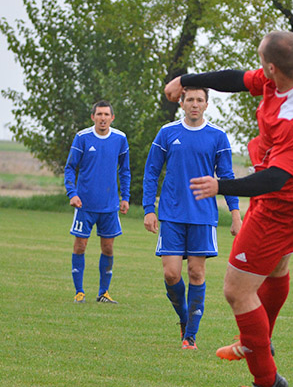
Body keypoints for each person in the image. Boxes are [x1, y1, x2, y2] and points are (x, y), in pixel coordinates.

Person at [164, 30, 293, 387]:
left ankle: (266, 381)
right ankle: (257, 340)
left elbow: (274, 179)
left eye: (261, 63)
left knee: (237, 291)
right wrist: (188, 80)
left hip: (280, 203)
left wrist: (223, 186)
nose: (259, 70)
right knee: (276, 269)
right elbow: (239, 80)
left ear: (273, 67)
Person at [143, 86, 242, 350]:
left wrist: (235, 214)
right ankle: (185, 320)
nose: (195, 104)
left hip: (203, 215)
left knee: (196, 273)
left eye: (200, 100)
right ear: (182, 103)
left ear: (207, 104)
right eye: (190, 100)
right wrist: (148, 209)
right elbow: (152, 172)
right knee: (171, 274)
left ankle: (190, 337)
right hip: (172, 215)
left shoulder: (218, 137)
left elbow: (227, 178)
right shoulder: (167, 133)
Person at [64, 100, 131, 304]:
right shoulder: (82, 138)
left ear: (112, 118)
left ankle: (104, 292)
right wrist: (72, 193)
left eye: (106, 115)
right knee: (80, 246)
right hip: (85, 205)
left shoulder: (120, 139)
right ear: (93, 117)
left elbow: (125, 170)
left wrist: (125, 197)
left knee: (108, 248)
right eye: (99, 114)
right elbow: (69, 168)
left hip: (109, 206)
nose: (103, 118)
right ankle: (79, 291)